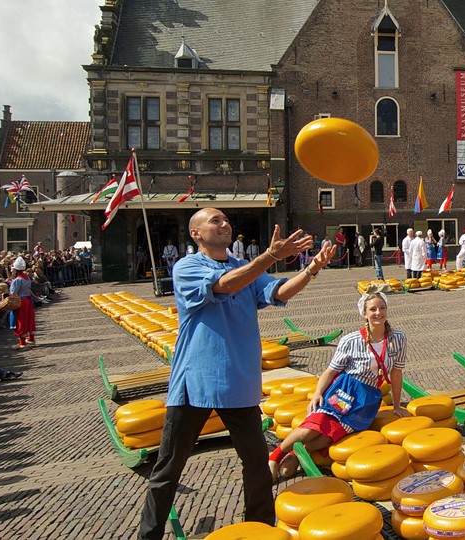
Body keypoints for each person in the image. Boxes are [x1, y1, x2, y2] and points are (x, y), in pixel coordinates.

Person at [137, 209, 335, 539]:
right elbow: (225, 286)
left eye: (226, 220)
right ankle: (149, 535)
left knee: (257, 463)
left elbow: (279, 292)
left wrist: (311, 269)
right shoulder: (187, 267)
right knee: (169, 467)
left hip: (239, 384)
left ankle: (259, 529)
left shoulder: (242, 266)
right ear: (196, 233)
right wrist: (270, 256)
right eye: (215, 220)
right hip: (196, 382)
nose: (224, 224)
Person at [269, 292, 409, 479]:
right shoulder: (351, 340)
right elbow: (330, 371)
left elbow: (396, 374)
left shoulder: (398, 338)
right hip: (344, 391)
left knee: (328, 436)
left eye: (382, 308)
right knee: (313, 428)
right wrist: (318, 393)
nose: (378, 312)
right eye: (373, 309)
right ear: (364, 314)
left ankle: (296, 453)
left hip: (366, 400)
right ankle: (275, 457)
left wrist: (397, 406)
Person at [8, 257, 37, 348]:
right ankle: (31, 338)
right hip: (28, 300)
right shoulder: (27, 278)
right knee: (29, 319)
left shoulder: (17, 280)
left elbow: (13, 293)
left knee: (21, 320)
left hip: (21, 301)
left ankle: (22, 342)